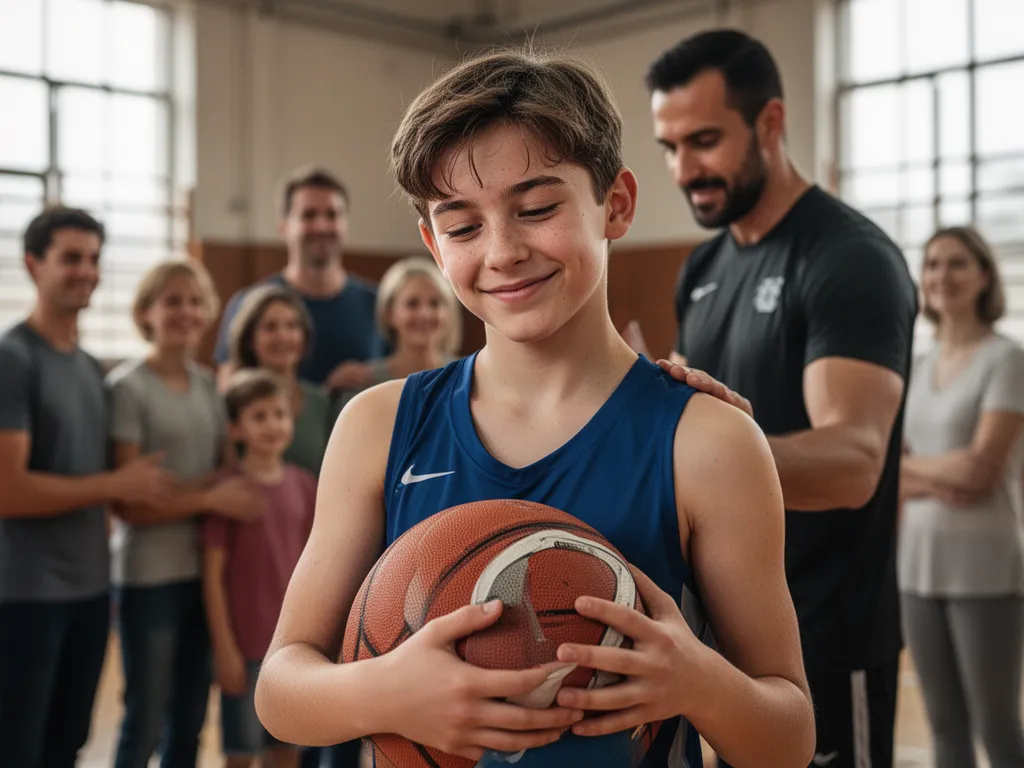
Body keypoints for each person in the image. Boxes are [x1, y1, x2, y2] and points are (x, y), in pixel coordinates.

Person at [254, 47, 815, 768]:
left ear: (615, 204)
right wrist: (387, 694)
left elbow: (790, 738)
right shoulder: (377, 426)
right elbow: (281, 688)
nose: (504, 251)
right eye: (462, 227)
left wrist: (699, 683)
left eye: (539, 208)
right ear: (431, 242)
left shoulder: (708, 442)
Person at [631, 29, 918, 768]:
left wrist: (701, 457)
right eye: (669, 147)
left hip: (827, 636)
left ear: (770, 123)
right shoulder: (703, 266)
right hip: (720, 643)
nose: (683, 168)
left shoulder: (848, 259)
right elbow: (700, 414)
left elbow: (855, 460)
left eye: (703, 140)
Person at [0, 206, 171, 767]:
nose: (87, 271)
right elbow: (10, 489)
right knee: (19, 746)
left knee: (67, 744)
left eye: (94, 259)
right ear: (32, 264)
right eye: (70, 258)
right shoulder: (13, 359)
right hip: (23, 596)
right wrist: (116, 483)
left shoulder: (92, 369)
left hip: (92, 591)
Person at [107, 259, 265, 768]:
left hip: (204, 580)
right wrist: (204, 498)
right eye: (172, 300)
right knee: (144, 721)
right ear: (146, 311)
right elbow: (131, 503)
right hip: (149, 578)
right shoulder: (127, 388)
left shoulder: (209, 389)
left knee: (191, 725)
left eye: (195, 301)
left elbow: (220, 478)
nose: (186, 311)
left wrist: (181, 492)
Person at [899, 227, 1024, 768]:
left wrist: (913, 473)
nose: (941, 276)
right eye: (931, 265)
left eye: (955, 264)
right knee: (944, 726)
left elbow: (979, 470)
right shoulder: (917, 365)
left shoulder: (1007, 359)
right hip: (915, 566)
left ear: (983, 277)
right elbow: (887, 476)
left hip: (985, 566)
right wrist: (935, 477)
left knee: (996, 726)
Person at [202, 369, 317, 768]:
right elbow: (213, 576)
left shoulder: (305, 486)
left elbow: (316, 567)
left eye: (279, 414)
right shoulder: (229, 491)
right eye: (259, 416)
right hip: (246, 649)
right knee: (241, 754)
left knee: (285, 752)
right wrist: (224, 648)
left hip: (292, 644)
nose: (273, 424)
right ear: (236, 429)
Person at [213, 166, 382, 397]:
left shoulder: (377, 305)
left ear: (345, 224)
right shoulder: (248, 305)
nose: (321, 226)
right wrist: (322, 395)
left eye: (332, 215)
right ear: (284, 227)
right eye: (309, 215)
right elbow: (229, 397)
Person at [228, 284, 334, 477]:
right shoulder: (230, 400)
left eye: (292, 326)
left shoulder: (323, 402)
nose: (283, 336)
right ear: (250, 339)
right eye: (270, 327)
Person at [333, 255, 462, 411]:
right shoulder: (363, 383)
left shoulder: (468, 378)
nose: (425, 314)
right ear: (389, 314)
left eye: (435, 304)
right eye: (412, 304)